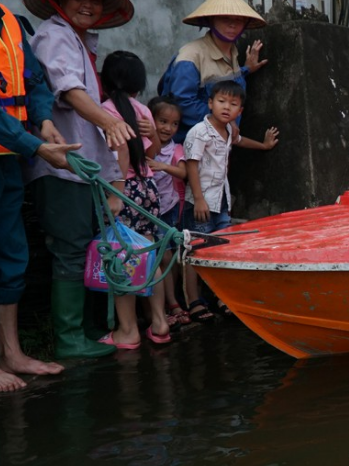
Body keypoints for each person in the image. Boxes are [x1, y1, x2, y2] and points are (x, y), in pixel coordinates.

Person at [0, 0, 82, 391]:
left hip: (7, 162)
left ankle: (12, 352)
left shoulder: (11, 22)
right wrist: (36, 147)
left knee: (11, 256)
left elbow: (36, 82)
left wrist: (42, 122)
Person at [23, 0, 137, 359]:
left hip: (84, 167)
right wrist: (110, 120)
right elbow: (67, 89)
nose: (87, 6)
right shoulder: (54, 35)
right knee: (70, 250)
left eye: (94, 1)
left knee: (92, 248)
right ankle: (71, 339)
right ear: (60, 3)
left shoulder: (81, 41)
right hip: (61, 166)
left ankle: (92, 328)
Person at [183, 81, 278, 321]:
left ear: (240, 111)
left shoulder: (228, 131)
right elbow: (191, 166)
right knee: (194, 250)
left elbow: (240, 141)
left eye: (233, 104)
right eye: (222, 102)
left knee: (222, 249)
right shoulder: (199, 132)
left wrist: (264, 146)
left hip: (221, 200)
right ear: (210, 103)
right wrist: (199, 198)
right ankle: (193, 301)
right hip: (200, 201)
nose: (226, 107)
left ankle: (221, 297)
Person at [98, 51, 170, 348]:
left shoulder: (104, 110)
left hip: (123, 188)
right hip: (148, 187)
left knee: (122, 257)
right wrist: (152, 133)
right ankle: (160, 322)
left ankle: (127, 330)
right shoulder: (143, 109)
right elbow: (151, 155)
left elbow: (120, 152)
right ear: (139, 83)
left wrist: (116, 191)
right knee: (148, 254)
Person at [163, 0, 268, 141]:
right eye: (225, 19)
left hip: (220, 147)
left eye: (238, 20)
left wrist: (246, 69)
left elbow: (225, 83)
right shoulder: (191, 56)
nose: (232, 25)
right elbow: (182, 103)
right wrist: (222, 120)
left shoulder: (233, 52)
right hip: (190, 148)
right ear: (211, 21)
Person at [146, 96, 190, 330]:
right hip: (146, 210)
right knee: (152, 259)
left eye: (174, 124)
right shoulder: (143, 145)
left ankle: (173, 303)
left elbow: (183, 172)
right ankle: (159, 307)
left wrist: (163, 166)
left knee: (168, 257)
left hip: (168, 210)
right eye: (162, 121)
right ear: (150, 119)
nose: (168, 128)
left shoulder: (176, 149)